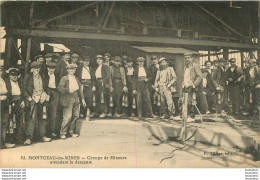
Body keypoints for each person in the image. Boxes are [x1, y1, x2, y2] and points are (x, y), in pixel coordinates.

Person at [23, 61, 51, 145]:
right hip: (33, 99)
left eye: (38, 68)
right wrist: (29, 98)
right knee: (32, 118)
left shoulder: (42, 76)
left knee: (42, 118)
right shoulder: (28, 77)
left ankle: (42, 136)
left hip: (42, 98)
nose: (37, 70)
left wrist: (48, 95)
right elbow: (23, 89)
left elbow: (47, 87)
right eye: (35, 68)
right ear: (32, 68)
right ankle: (29, 138)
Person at [58, 64, 86, 139]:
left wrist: (82, 99)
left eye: (73, 69)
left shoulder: (76, 78)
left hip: (76, 98)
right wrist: (68, 90)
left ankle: (71, 132)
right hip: (68, 98)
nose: (71, 70)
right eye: (70, 69)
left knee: (75, 116)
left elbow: (80, 89)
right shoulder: (64, 78)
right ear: (67, 70)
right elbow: (60, 88)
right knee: (67, 116)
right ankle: (62, 133)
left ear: (75, 70)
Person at [5, 68, 25, 145]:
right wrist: (11, 102)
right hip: (11, 102)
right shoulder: (7, 83)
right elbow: (7, 94)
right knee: (11, 121)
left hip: (19, 101)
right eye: (12, 75)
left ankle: (19, 139)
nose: (14, 77)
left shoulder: (19, 82)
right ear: (9, 76)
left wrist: (22, 100)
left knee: (20, 120)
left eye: (16, 75)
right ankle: (10, 139)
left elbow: (22, 92)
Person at [180, 53, 202, 120]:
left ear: (192, 58)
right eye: (185, 58)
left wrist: (194, 84)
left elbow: (199, 76)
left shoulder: (195, 66)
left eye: (188, 58)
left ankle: (191, 116)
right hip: (185, 86)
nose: (187, 59)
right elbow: (185, 77)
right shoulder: (185, 67)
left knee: (192, 101)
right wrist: (183, 83)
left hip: (191, 86)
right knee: (184, 101)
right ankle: (185, 115)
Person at [75, 56, 96, 120]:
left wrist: (94, 85)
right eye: (85, 61)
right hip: (82, 84)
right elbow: (77, 78)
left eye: (87, 61)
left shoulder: (91, 69)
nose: (86, 62)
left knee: (89, 98)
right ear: (83, 62)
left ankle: (88, 113)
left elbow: (93, 79)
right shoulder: (79, 69)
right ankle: (81, 113)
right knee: (82, 97)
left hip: (89, 85)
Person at [1, 64, 16, 148]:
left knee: (4, 123)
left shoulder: (3, 80)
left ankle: (3, 142)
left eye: (1, 71)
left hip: (4, 102)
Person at [45, 62, 60, 138]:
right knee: (45, 112)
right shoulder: (44, 75)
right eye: (50, 68)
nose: (51, 70)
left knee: (53, 112)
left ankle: (51, 131)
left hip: (55, 92)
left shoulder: (57, 76)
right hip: (46, 92)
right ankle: (44, 133)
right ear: (47, 68)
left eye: (53, 68)